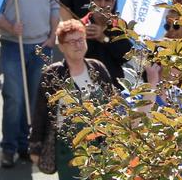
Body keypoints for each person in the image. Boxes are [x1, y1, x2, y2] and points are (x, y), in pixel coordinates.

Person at [0, 0, 60, 169]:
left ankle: (26, 144)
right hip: (14, 45)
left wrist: (53, 35)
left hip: (41, 45)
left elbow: (55, 6)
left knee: (35, 98)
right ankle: (9, 147)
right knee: (14, 97)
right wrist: (11, 27)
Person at [28, 18, 116, 178]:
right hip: (68, 151)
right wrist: (35, 147)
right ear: (61, 47)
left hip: (102, 145)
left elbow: (113, 104)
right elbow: (40, 113)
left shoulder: (97, 68)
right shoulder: (52, 75)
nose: (78, 44)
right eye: (72, 41)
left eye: (81, 39)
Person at [82, 0, 132, 83]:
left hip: (114, 86)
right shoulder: (81, 25)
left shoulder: (119, 26)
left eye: (107, 0)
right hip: (86, 84)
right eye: (98, 0)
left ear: (113, 3)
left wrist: (103, 38)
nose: (102, 4)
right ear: (92, 1)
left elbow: (126, 56)